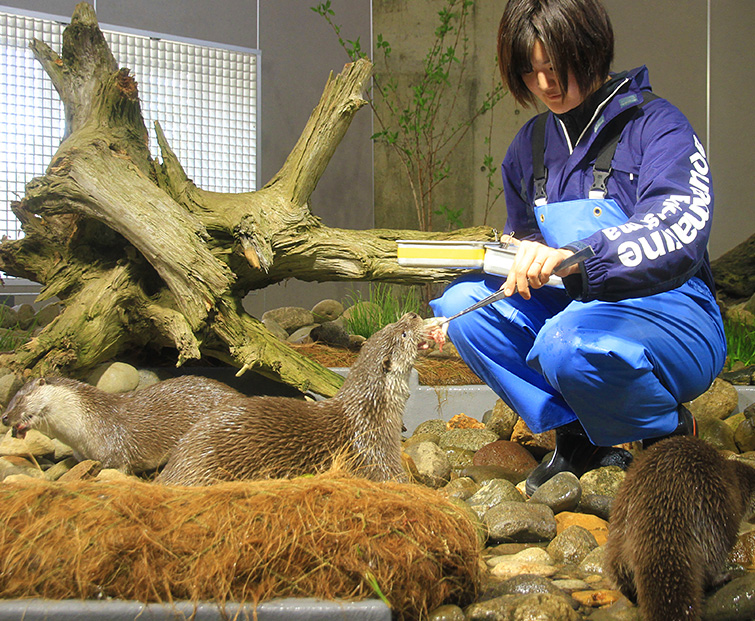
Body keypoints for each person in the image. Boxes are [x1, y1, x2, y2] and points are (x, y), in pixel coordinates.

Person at [429, 0, 726, 495]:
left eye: (556, 66)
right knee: (462, 306)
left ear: (590, 49)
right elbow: (526, 245)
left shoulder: (659, 126)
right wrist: (512, 263)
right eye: (531, 71)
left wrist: (578, 257)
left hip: (674, 312)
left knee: (567, 341)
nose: (546, 84)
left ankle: (665, 433)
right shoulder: (529, 146)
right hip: (579, 309)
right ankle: (579, 434)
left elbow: (681, 227)